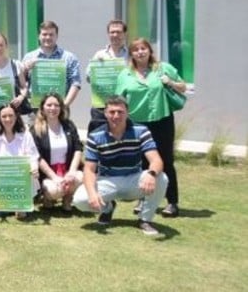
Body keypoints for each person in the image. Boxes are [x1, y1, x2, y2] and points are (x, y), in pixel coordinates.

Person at [72, 96, 168, 236]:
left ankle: (145, 219)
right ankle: (107, 208)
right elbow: (89, 170)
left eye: (120, 112)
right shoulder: (95, 136)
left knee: (162, 178)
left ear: (127, 112)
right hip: (108, 180)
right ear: (105, 113)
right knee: (80, 200)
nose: (116, 116)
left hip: (133, 180)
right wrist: (92, 194)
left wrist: (151, 174)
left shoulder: (141, 131)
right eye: (111, 112)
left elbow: (156, 160)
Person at [116, 38, 187, 217]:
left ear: (149, 51)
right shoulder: (125, 74)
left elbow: (183, 87)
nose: (140, 52)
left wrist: (169, 82)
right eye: (136, 50)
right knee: (143, 162)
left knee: (166, 161)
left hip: (162, 121)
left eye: (143, 48)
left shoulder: (163, 68)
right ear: (131, 54)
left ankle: (172, 202)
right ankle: (144, 199)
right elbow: (120, 100)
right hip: (137, 124)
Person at [0, 104, 40, 219]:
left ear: (16, 117)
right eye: (4, 116)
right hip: (3, 180)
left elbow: (32, 156)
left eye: (11, 116)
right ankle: (13, 206)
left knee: (21, 211)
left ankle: (20, 205)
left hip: (21, 180)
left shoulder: (25, 134)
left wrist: (34, 168)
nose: (8, 119)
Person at [31, 93, 83, 212]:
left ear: (61, 108)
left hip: (67, 170)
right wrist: (54, 177)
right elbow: (37, 157)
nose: (53, 108)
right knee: (54, 191)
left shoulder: (69, 125)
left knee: (80, 177)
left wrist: (72, 171)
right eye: (49, 105)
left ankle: (67, 199)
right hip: (48, 174)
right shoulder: (36, 129)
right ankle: (47, 198)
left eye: (56, 105)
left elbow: (78, 148)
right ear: (42, 108)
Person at [21, 20, 82, 112]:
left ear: (56, 36)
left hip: (60, 108)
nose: (48, 37)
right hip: (35, 109)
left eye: (51, 34)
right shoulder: (29, 57)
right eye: (44, 34)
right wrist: (25, 69)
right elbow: (21, 83)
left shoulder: (69, 58)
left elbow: (75, 83)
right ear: (39, 36)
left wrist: (64, 105)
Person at [85, 20, 129, 133]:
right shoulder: (99, 54)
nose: (115, 35)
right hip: (101, 106)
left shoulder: (130, 55)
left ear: (124, 34)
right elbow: (88, 78)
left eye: (118, 32)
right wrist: (97, 67)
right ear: (108, 34)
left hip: (123, 105)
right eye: (112, 32)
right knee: (98, 135)